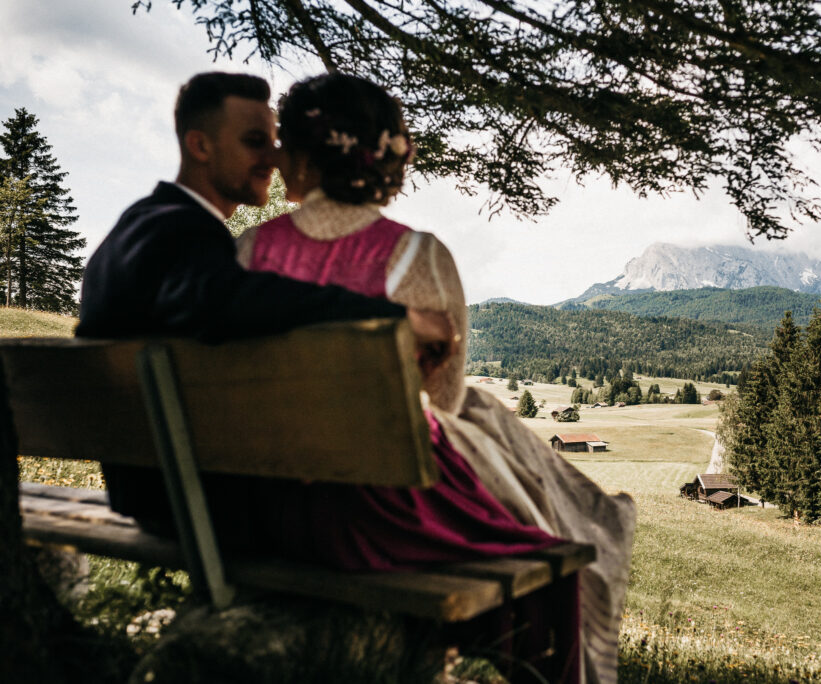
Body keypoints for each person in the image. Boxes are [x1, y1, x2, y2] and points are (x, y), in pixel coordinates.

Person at [236, 72, 636, 684]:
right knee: (554, 552)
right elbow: (442, 408)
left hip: (263, 512)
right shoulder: (417, 257)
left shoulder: (245, 253)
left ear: (303, 155)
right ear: (384, 155)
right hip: (374, 521)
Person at [76, 72, 560, 572]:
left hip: (156, 487)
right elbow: (222, 300)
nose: (274, 157)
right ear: (199, 145)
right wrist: (392, 316)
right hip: (212, 503)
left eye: (276, 141)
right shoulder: (187, 239)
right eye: (255, 142)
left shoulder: (147, 226)